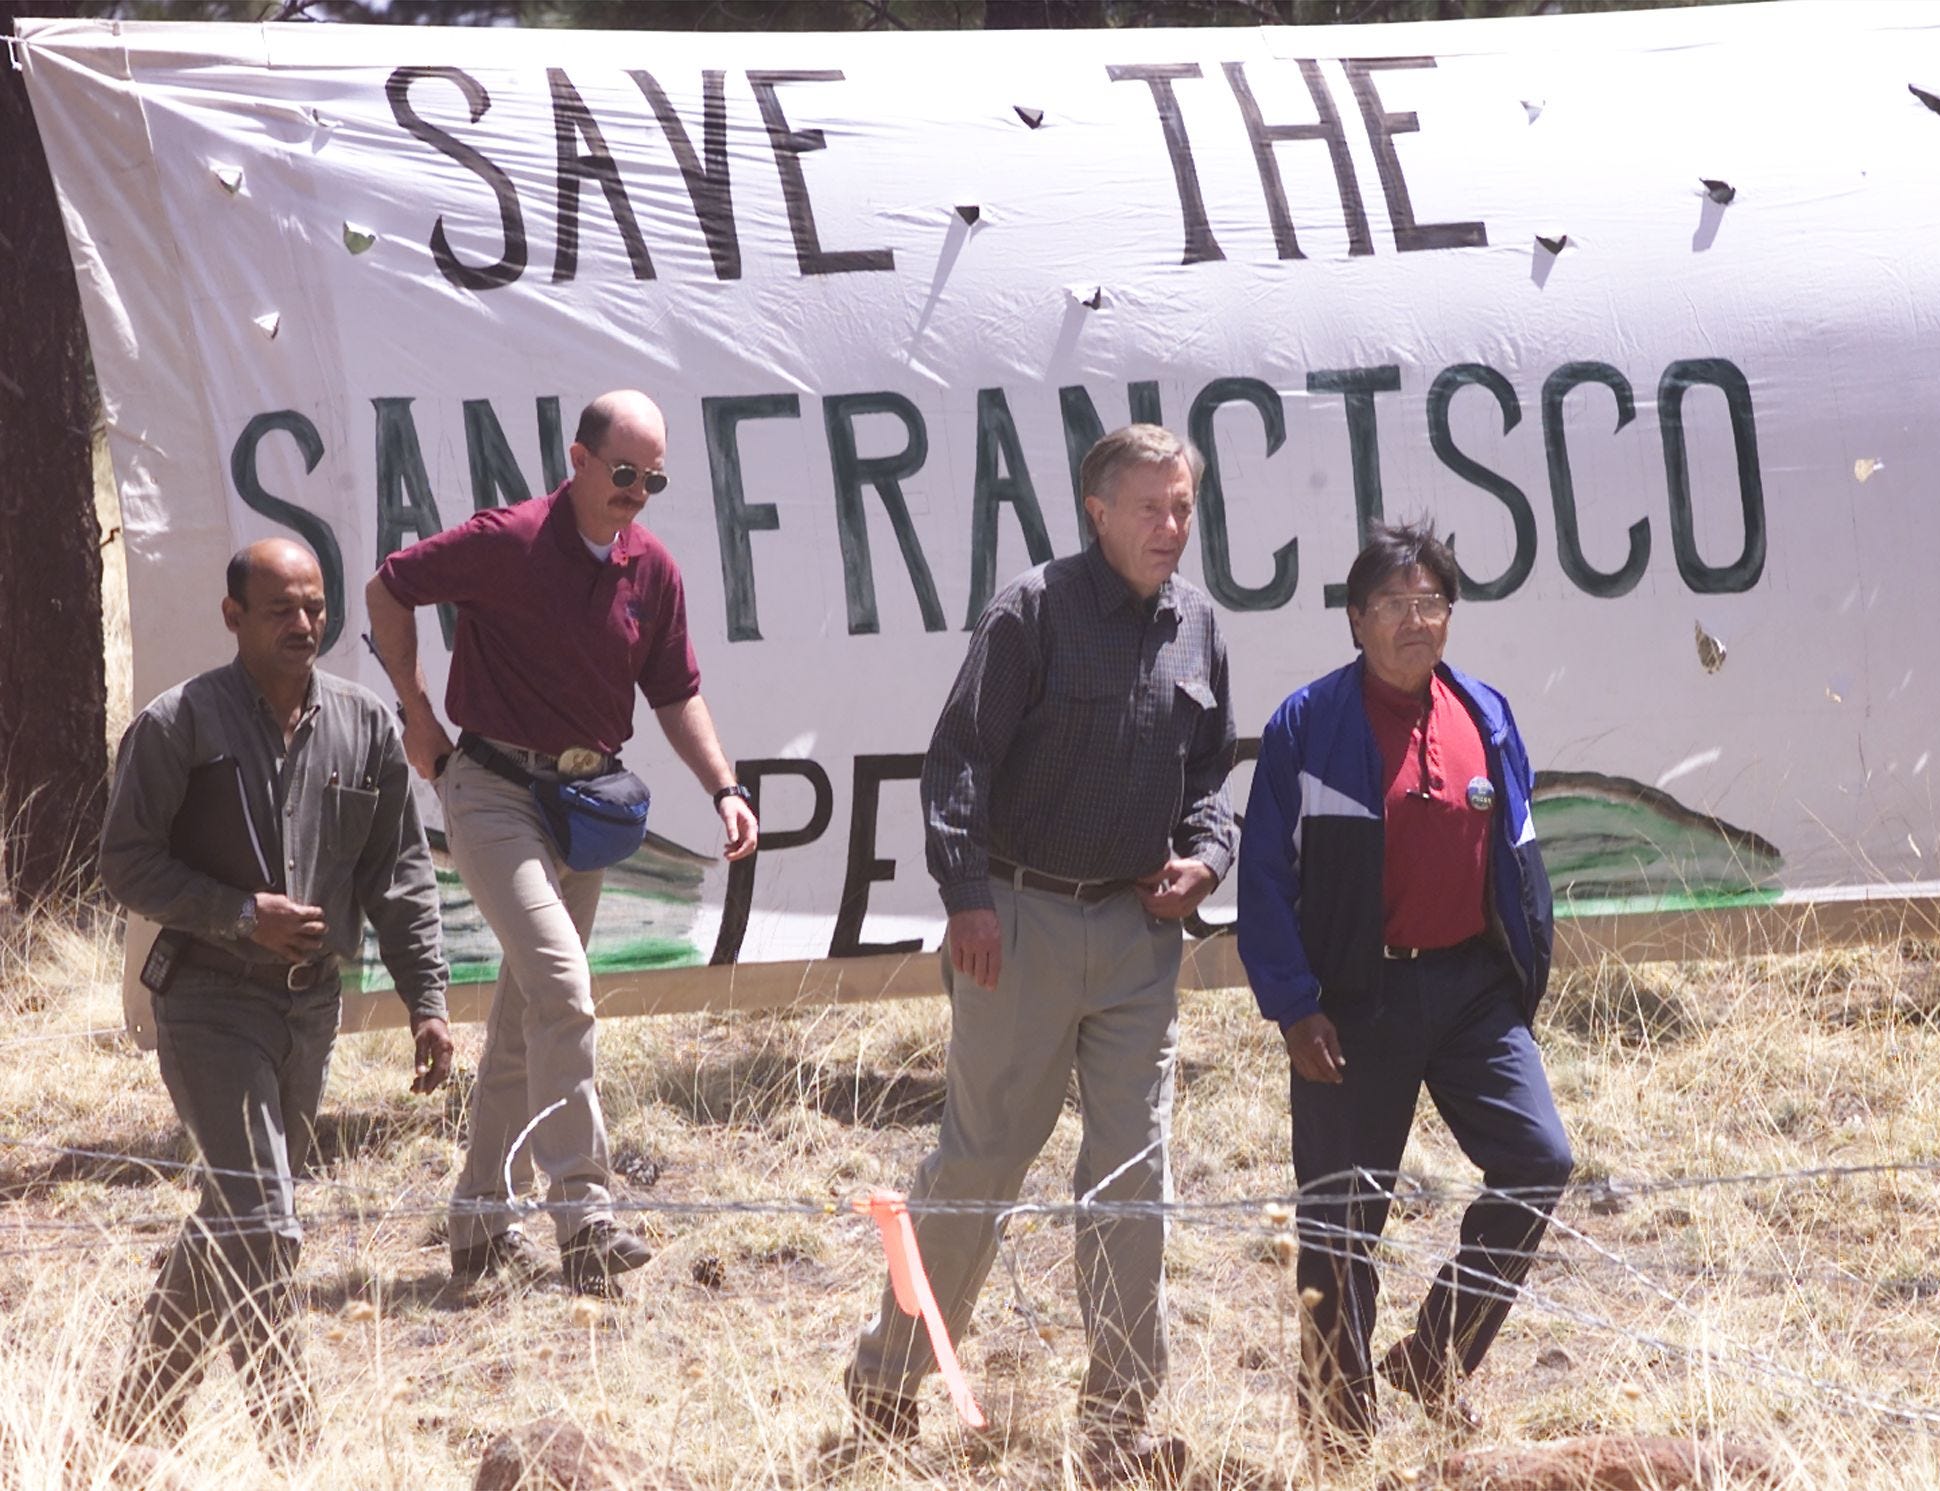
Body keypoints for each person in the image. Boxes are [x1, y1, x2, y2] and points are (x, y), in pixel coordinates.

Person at [844, 424, 1236, 1484]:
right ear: (1094, 510)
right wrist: (967, 896)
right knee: (980, 1162)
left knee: (1132, 1176)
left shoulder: (1198, 624)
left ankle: (1116, 1425)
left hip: (1137, 936)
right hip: (1013, 929)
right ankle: (886, 1382)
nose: (1171, 526)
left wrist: (1206, 857)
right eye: (1150, 507)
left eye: (1184, 505)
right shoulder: (1030, 611)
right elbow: (956, 759)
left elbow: (1209, 777)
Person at [364, 389, 757, 1296]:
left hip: (584, 803)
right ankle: (582, 1209)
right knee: (566, 990)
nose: (636, 493)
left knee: (524, 1020)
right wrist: (418, 715)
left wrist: (725, 787)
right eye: (623, 473)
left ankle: (476, 1215)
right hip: (493, 789)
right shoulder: (509, 539)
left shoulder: (650, 567)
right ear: (576, 460)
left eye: (652, 480)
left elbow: (675, 691)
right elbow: (389, 587)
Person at [97, 539, 452, 1456]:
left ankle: (129, 1423)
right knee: (267, 1220)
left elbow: (400, 876)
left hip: (310, 1012)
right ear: (233, 617)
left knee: (236, 1212)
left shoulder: (367, 726)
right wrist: (234, 913)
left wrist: (428, 1000)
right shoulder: (180, 724)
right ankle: (294, 1442)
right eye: (280, 610)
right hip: (209, 1003)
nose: (304, 625)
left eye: (315, 607)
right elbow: (124, 862)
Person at [1237, 520, 1573, 1465]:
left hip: (1471, 993)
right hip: (1354, 1001)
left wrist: (1519, 977)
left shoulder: (1487, 713)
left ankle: (1434, 1356)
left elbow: (1519, 857)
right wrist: (1296, 1005)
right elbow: (1262, 881)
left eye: (1432, 603)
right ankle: (1340, 1445)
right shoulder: (1308, 726)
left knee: (1539, 1160)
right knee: (1341, 1223)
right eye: (1393, 604)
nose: (1415, 621)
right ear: (1356, 620)